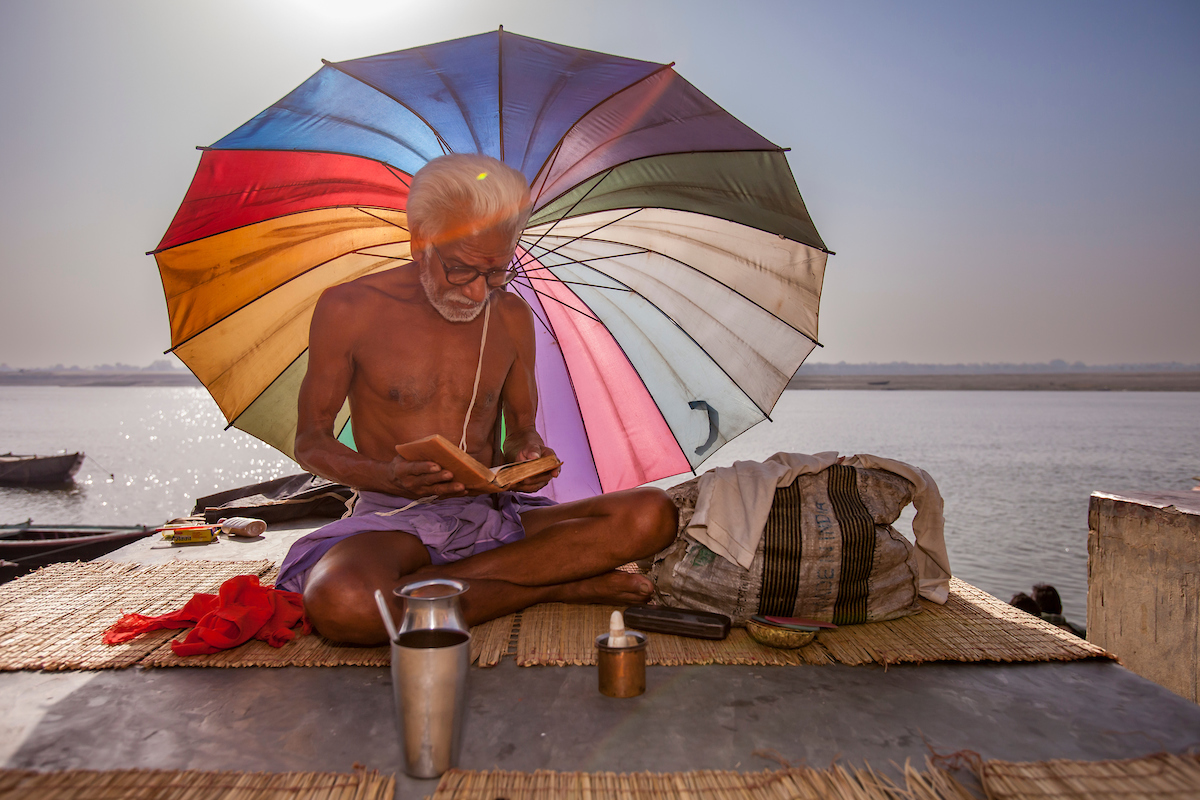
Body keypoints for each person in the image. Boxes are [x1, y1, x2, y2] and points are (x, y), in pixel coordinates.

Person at [276, 154, 678, 645]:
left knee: (652, 513)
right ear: (420, 240)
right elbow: (311, 442)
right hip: (393, 521)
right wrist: (388, 476)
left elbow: (521, 429)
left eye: (496, 273)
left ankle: (437, 587)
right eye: (460, 269)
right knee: (345, 603)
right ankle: (552, 584)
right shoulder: (349, 308)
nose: (475, 293)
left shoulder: (510, 315)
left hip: (493, 514)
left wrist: (528, 455)